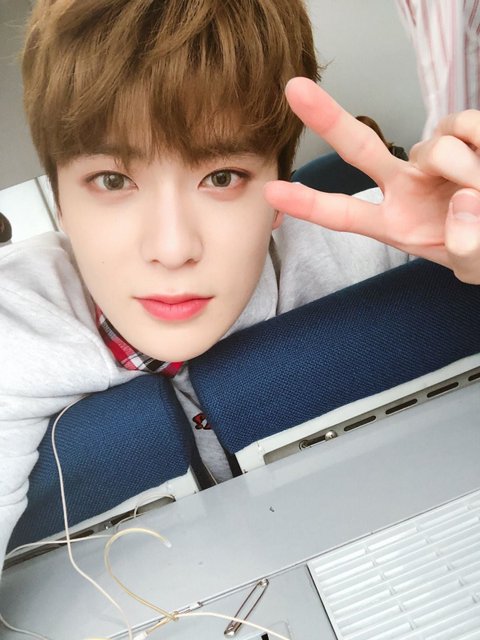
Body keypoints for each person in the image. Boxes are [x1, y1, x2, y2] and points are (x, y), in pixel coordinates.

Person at [0, 0, 479, 577]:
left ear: (278, 190)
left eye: (221, 177)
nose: (172, 248)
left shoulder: (370, 242)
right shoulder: (16, 325)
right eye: (112, 179)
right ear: (60, 203)